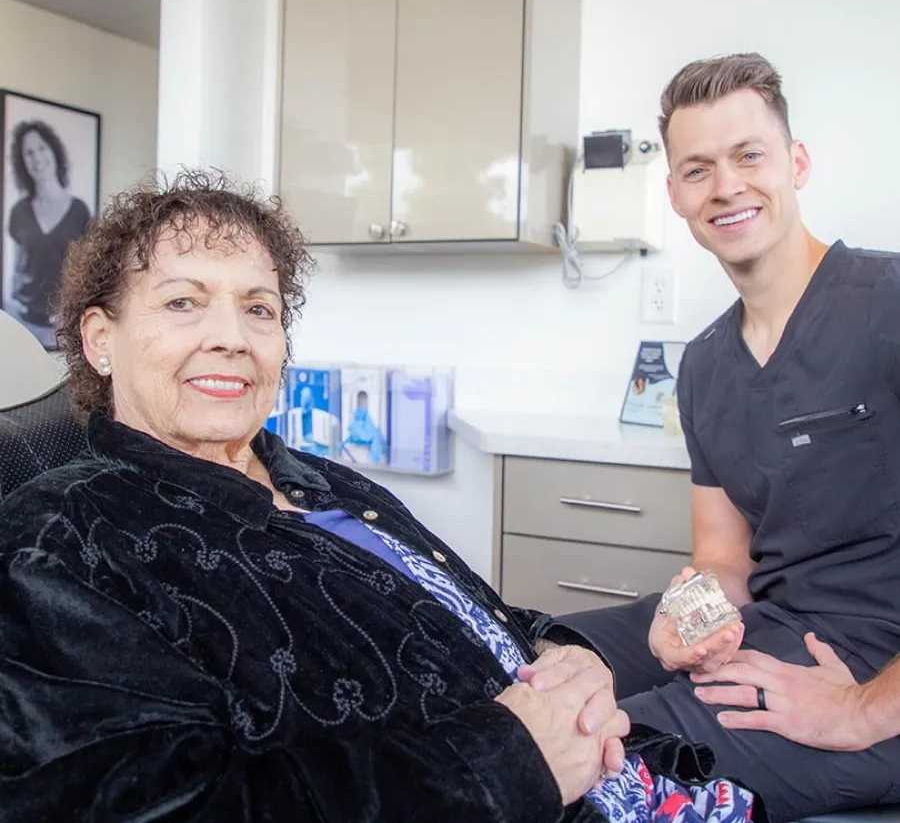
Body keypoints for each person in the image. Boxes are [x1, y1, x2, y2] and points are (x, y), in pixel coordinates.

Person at [0, 171, 751, 822]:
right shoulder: (65, 542)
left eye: (259, 308)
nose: (231, 336)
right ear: (101, 339)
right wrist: (511, 760)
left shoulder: (316, 478)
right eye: (183, 303)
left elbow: (463, 618)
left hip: (650, 784)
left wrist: (562, 655)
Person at [554, 54, 900, 823]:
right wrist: (694, 616)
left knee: (592, 751)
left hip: (873, 666)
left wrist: (861, 712)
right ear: (676, 191)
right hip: (776, 626)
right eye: (699, 168)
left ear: (796, 162)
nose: (728, 186)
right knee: (530, 657)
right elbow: (723, 561)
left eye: (749, 156)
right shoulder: (707, 365)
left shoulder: (887, 305)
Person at [5, 119, 92, 347]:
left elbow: (88, 270)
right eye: (29, 153)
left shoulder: (79, 210)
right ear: (23, 162)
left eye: (41, 148)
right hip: (24, 325)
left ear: (54, 151)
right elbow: (16, 269)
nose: (37, 158)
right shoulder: (19, 211)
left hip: (65, 329)